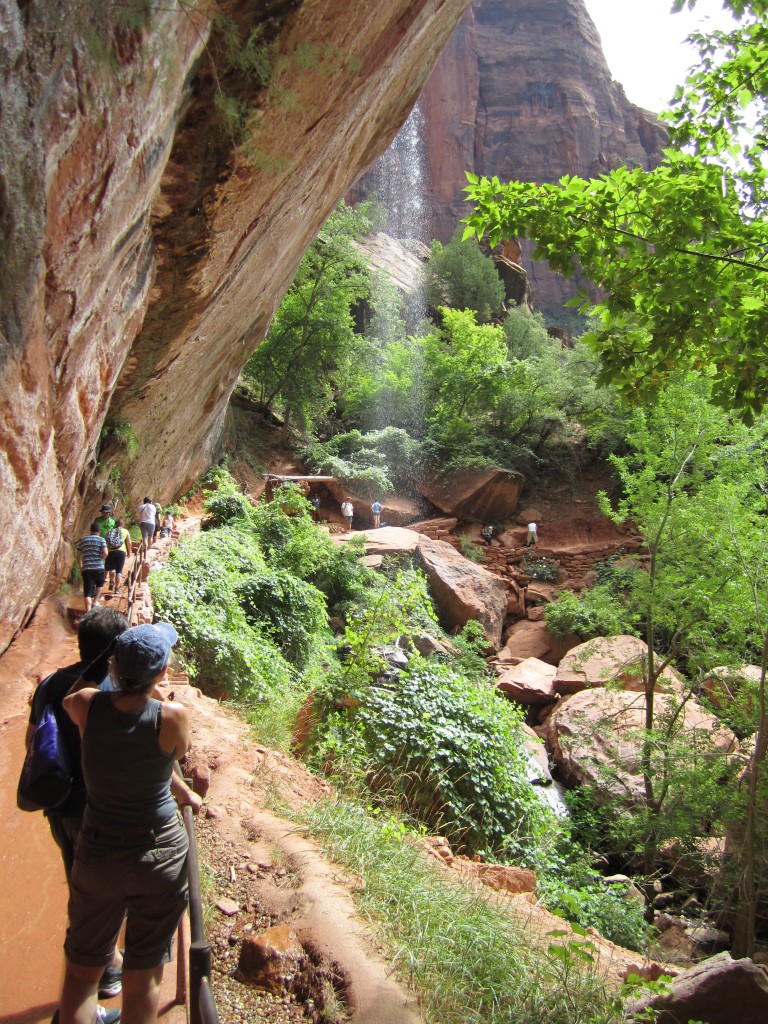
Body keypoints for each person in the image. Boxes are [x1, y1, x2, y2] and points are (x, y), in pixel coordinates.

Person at [59, 622, 197, 1024]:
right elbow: (177, 753)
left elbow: (70, 696)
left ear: (115, 667)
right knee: (144, 976)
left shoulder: (87, 704)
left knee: (82, 974)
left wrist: (110, 667)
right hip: (159, 853)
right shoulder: (171, 717)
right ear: (161, 673)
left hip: (99, 850)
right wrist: (152, 692)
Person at [26, 607, 130, 1004]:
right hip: (99, 809)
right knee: (104, 895)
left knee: (79, 884)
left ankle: (91, 974)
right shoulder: (113, 690)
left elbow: (34, 742)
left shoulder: (52, 684)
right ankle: (100, 979)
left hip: (60, 803)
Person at [77, 522, 108, 611]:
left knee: (87, 592)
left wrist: (81, 567)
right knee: (99, 584)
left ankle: (88, 611)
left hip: (87, 568)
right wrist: (101, 559)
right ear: (99, 530)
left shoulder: (83, 540)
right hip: (99, 567)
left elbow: (78, 556)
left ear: (90, 530)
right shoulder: (101, 540)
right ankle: (95, 601)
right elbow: (105, 553)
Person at [105, 519, 132, 593]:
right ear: (122, 524)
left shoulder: (110, 531)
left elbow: (106, 541)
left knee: (112, 568)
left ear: (115, 524)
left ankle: (111, 582)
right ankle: (117, 589)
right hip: (121, 551)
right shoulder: (125, 531)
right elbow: (129, 543)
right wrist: (129, 552)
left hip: (111, 551)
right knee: (119, 571)